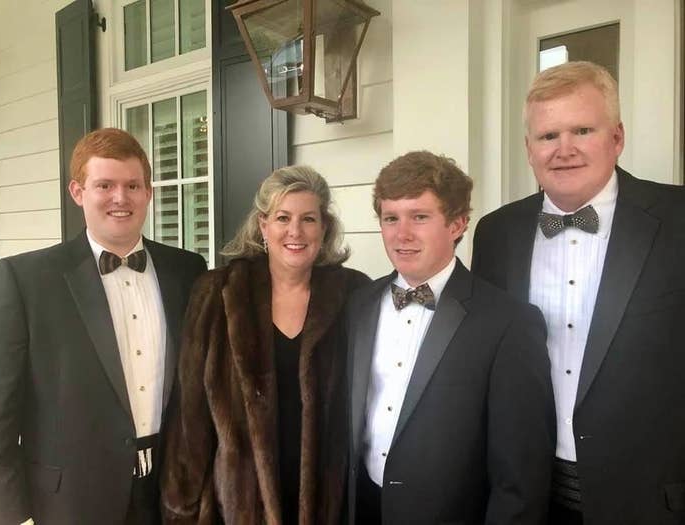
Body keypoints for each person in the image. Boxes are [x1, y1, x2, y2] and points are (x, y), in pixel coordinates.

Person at [472, 61, 685, 525]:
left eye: (582, 130)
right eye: (548, 136)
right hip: (529, 496)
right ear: (529, 149)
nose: (563, 150)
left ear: (617, 138)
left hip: (651, 500)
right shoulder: (495, 233)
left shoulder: (678, 220)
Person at [0, 128, 207, 525]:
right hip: (68, 502)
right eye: (105, 184)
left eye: (133, 185)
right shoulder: (25, 279)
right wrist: (7, 514)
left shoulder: (187, 271)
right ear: (77, 192)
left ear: (148, 193)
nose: (121, 198)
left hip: (171, 494)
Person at [345, 151, 555, 525]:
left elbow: (520, 477)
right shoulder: (358, 304)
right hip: (361, 507)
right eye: (390, 218)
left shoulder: (508, 323)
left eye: (419, 217)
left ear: (457, 223)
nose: (401, 234)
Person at [160, 165, 370, 524]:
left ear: (324, 228)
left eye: (309, 219)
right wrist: (181, 508)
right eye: (282, 217)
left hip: (329, 504)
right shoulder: (218, 294)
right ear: (263, 226)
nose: (295, 231)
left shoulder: (353, 294)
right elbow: (189, 413)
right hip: (237, 507)